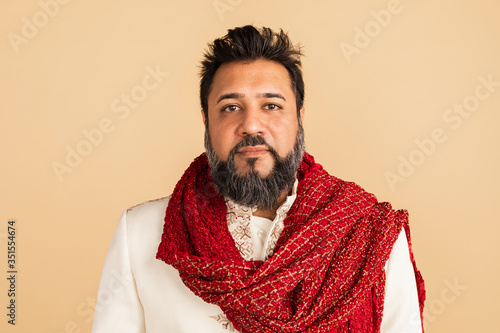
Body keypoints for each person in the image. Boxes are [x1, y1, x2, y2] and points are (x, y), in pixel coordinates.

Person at [92, 25, 425, 333]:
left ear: (299, 119)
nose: (251, 125)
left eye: (271, 105)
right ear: (206, 122)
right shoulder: (140, 232)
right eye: (231, 107)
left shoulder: (368, 233)